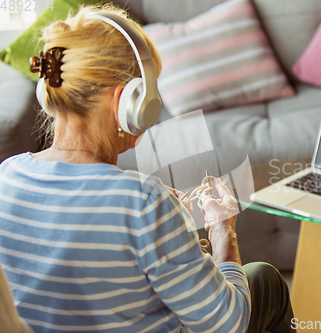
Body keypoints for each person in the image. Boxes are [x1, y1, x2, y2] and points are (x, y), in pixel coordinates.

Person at [0, 5, 294, 333]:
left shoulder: (6, 176)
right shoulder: (144, 202)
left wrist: (167, 228)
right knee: (265, 281)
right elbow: (228, 323)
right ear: (129, 101)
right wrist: (224, 232)